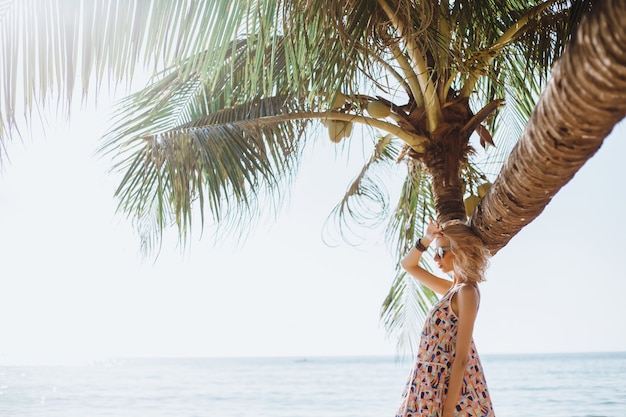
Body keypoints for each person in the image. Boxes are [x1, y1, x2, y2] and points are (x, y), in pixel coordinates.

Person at [395, 218, 495, 417]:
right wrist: (427, 239)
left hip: (442, 389)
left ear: (459, 251)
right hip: (424, 383)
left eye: (441, 252)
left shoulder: (467, 292)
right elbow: (408, 265)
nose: (435, 258)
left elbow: (462, 357)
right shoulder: (452, 290)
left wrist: (447, 410)